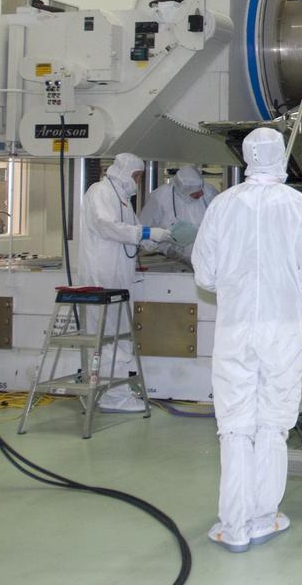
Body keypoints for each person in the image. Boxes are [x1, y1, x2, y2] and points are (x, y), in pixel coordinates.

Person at [192, 128, 302, 553]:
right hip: (282, 331)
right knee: (273, 422)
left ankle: (233, 527)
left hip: (234, 330)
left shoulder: (222, 205)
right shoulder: (298, 206)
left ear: (248, 158)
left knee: (233, 427)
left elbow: (205, 276)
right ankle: (265, 516)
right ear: (281, 157)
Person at [78, 153, 172, 412]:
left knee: (118, 337)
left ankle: (117, 392)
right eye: (136, 176)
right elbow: (107, 226)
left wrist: (158, 240)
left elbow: (132, 231)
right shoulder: (100, 192)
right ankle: (112, 398)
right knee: (108, 339)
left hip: (117, 279)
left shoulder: (122, 199)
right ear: (123, 171)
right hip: (101, 279)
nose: (137, 181)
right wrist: (146, 232)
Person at [139, 165, 217, 262]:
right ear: (182, 190)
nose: (201, 194)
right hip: (172, 249)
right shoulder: (160, 197)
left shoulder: (209, 192)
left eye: (201, 189)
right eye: (195, 193)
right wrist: (153, 246)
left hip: (206, 245)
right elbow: (143, 227)